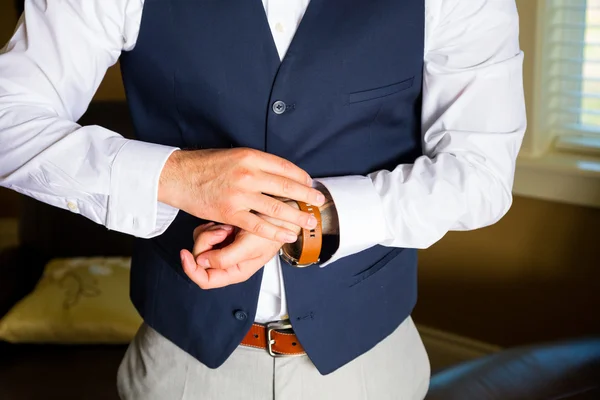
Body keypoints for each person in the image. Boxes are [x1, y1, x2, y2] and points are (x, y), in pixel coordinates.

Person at [0, 0, 526, 398]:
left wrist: (306, 217)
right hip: (182, 369)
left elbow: (480, 172)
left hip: (370, 368)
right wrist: (177, 177)